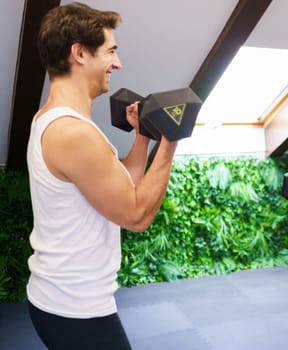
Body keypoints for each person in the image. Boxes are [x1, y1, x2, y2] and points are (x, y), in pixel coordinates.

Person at [26, 3, 178, 349]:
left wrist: (143, 138)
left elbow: (122, 185)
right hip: (75, 310)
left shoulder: (53, 119)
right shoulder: (73, 134)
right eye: (111, 51)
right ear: (79, 53)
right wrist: (171, 141)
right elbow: (137, 215)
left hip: (61, 300)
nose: (118, 63)